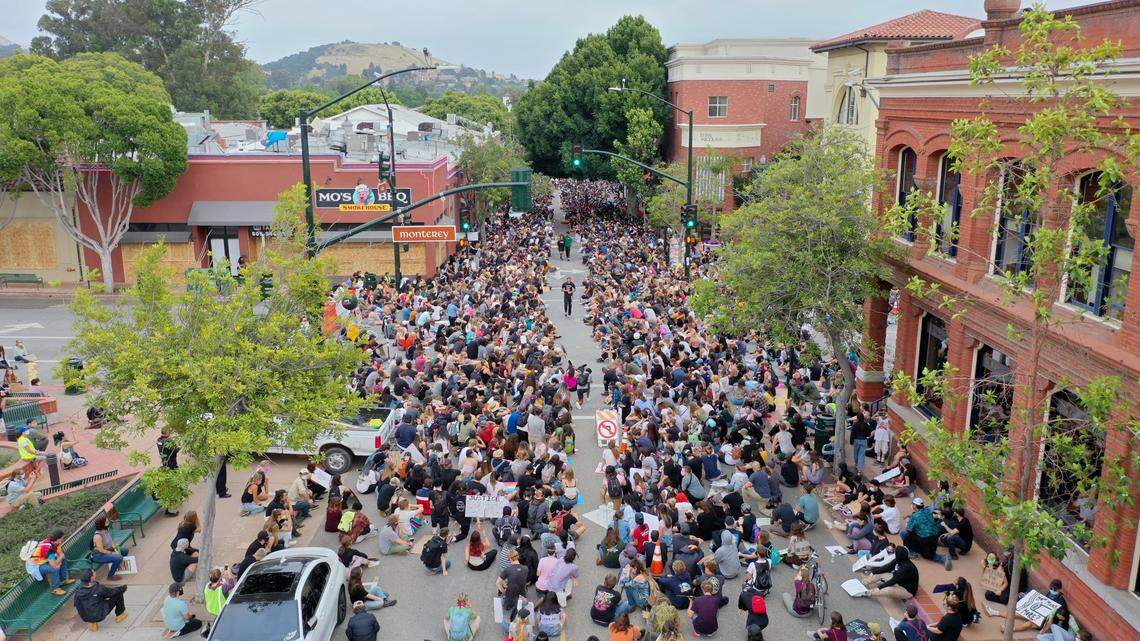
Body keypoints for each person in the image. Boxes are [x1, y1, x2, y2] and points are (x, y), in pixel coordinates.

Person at [28, 529, 73, 595]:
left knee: (62, 560)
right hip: (35, 565)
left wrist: (60, 559)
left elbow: (61, 555)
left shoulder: (55, 543)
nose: (63, 539)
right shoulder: (49, 549)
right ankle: (55, 589)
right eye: (62, 538)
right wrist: (59, 560)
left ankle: (63, 580)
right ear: (58, 538)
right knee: (54, 569)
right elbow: (54, 565)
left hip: (44, 560)